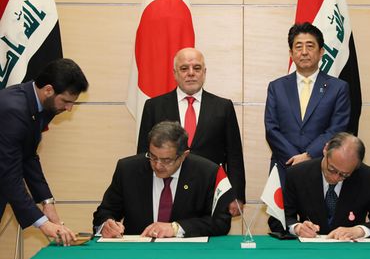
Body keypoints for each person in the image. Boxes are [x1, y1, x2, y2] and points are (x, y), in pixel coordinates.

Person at [137, 48, 245, 216]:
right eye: (184, 68)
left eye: (196, 68)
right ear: (174, 73)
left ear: (204, 72)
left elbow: (234, 155)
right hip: (167, 189)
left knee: (211, 237)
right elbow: (143, 153)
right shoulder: (154, 106)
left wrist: (236, 195)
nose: (191, 73)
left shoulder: (223, 107)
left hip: (210, 190)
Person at [0, 58, 89, 245]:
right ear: (48, 90)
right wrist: (43, 223)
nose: (69, 108)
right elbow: (9, 174)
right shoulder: (13, 110)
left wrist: (47, 203)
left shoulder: (42, 106)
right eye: (66, 101)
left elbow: (28, 157)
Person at [93, 121, 231, 238]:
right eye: (152, 156)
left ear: (183, 156)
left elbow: (220, 222)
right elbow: (104, 212)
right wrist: (106, 225)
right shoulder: (128, 169)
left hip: (186, 255)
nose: (157, 165)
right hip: (138, 254)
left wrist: (176, 228)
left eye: (166, 160)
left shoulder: (207, 173)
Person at [264, 22, 351, 186]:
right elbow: (271, 129)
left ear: (321, 52)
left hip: (323, 168)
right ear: (291, 53)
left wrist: (308, 156)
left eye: (310, 46)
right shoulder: (276, 87)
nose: (304, 52)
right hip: (284, 167)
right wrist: (294, 158)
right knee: (282, 212)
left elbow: (336, 129)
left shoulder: (338, 88)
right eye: (298, 47)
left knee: (318, 212)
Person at [271, 132, 370, 240]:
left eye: (344, 174)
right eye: (331, 169)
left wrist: (359, 230)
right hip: (310, 254)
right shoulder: (298, 174)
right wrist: (297, 228)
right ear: (325, 150)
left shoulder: (369, 178)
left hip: (351, 254)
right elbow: (277, 219)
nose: (335, 178)